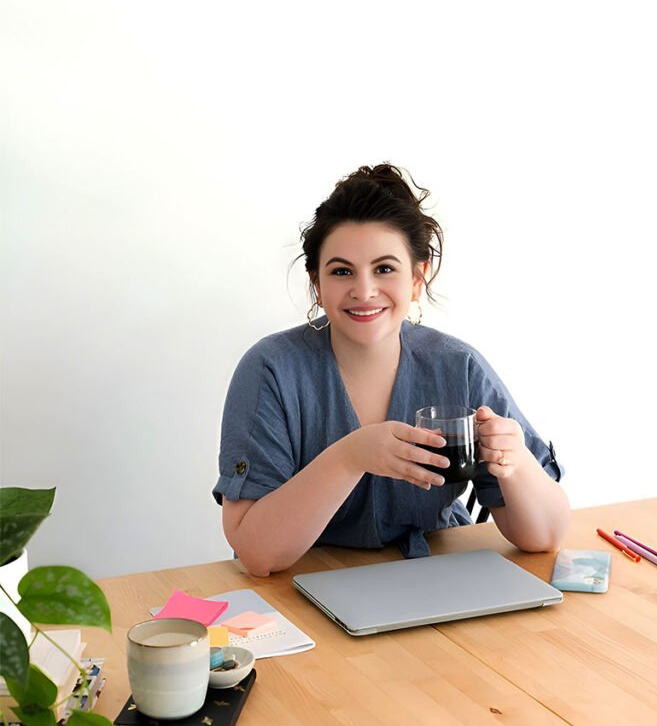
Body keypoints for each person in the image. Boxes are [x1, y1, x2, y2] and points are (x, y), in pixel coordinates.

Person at [213, 164, 569, 576]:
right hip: (301, 586)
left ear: (417, 278)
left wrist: (516, 461)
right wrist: (350, 457)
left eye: (384, 269)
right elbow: (257, 552)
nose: (364, 291)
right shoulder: (270, 370)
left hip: (434, 578)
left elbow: (545, 538)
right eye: (341, 271)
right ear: (317, 284)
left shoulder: (458, 366)